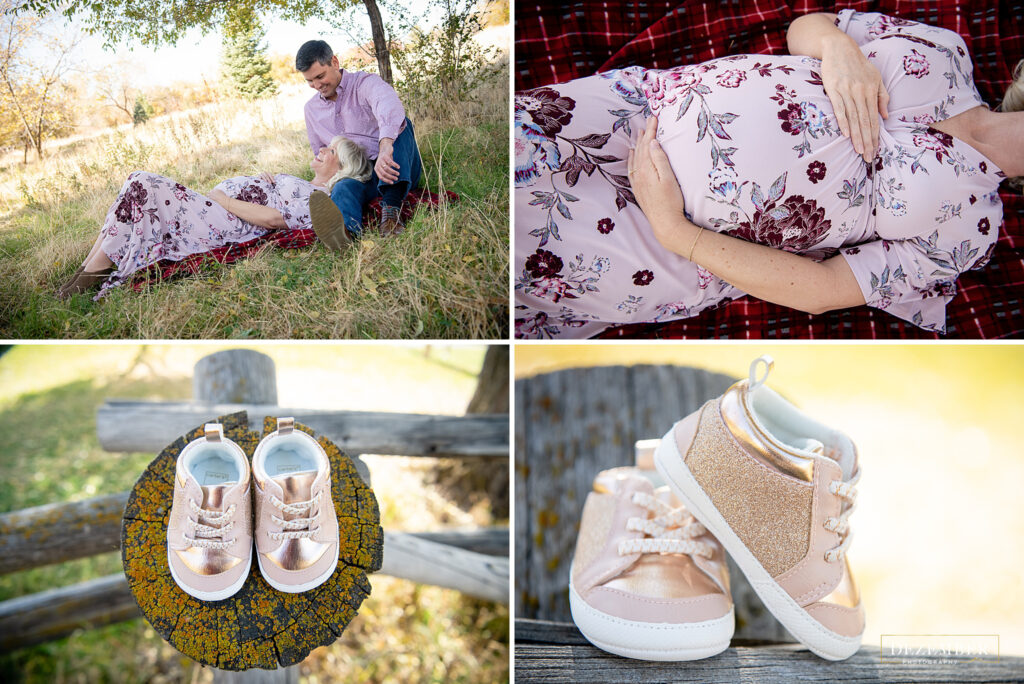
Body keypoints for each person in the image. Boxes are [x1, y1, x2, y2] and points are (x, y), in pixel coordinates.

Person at [514, 10, 1021, 338]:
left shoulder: (971, 230)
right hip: (640, 110)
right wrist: (837, 48)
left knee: (509, 251)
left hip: (671, 243)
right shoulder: (945, 50)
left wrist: (676, 231)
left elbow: (824, 290)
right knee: (508, 151)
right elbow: (806, 27)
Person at [57, 135, 373, 300]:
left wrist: (223, 197)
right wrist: (266, 180)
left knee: (142, 183)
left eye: (330, 150)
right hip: (217, 209)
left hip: (224, 220)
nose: (321, 148)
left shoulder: (321, 200)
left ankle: (85, 279)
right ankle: (82, 276)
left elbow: (275, 219)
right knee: (131, 190)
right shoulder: (305, 184)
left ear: (342, 167)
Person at [295, 40, 423, 243]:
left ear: (334, 62)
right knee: (344, 186)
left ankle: (391, 213)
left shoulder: (364, 84)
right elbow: (320, 151)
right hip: (356, 173)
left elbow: (388, 105)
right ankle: (344, 234)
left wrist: (385, 146)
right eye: (310, 81)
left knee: (401, 124)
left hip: (396, 162)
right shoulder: (311, 109)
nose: (317, 86)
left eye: (320, 76)